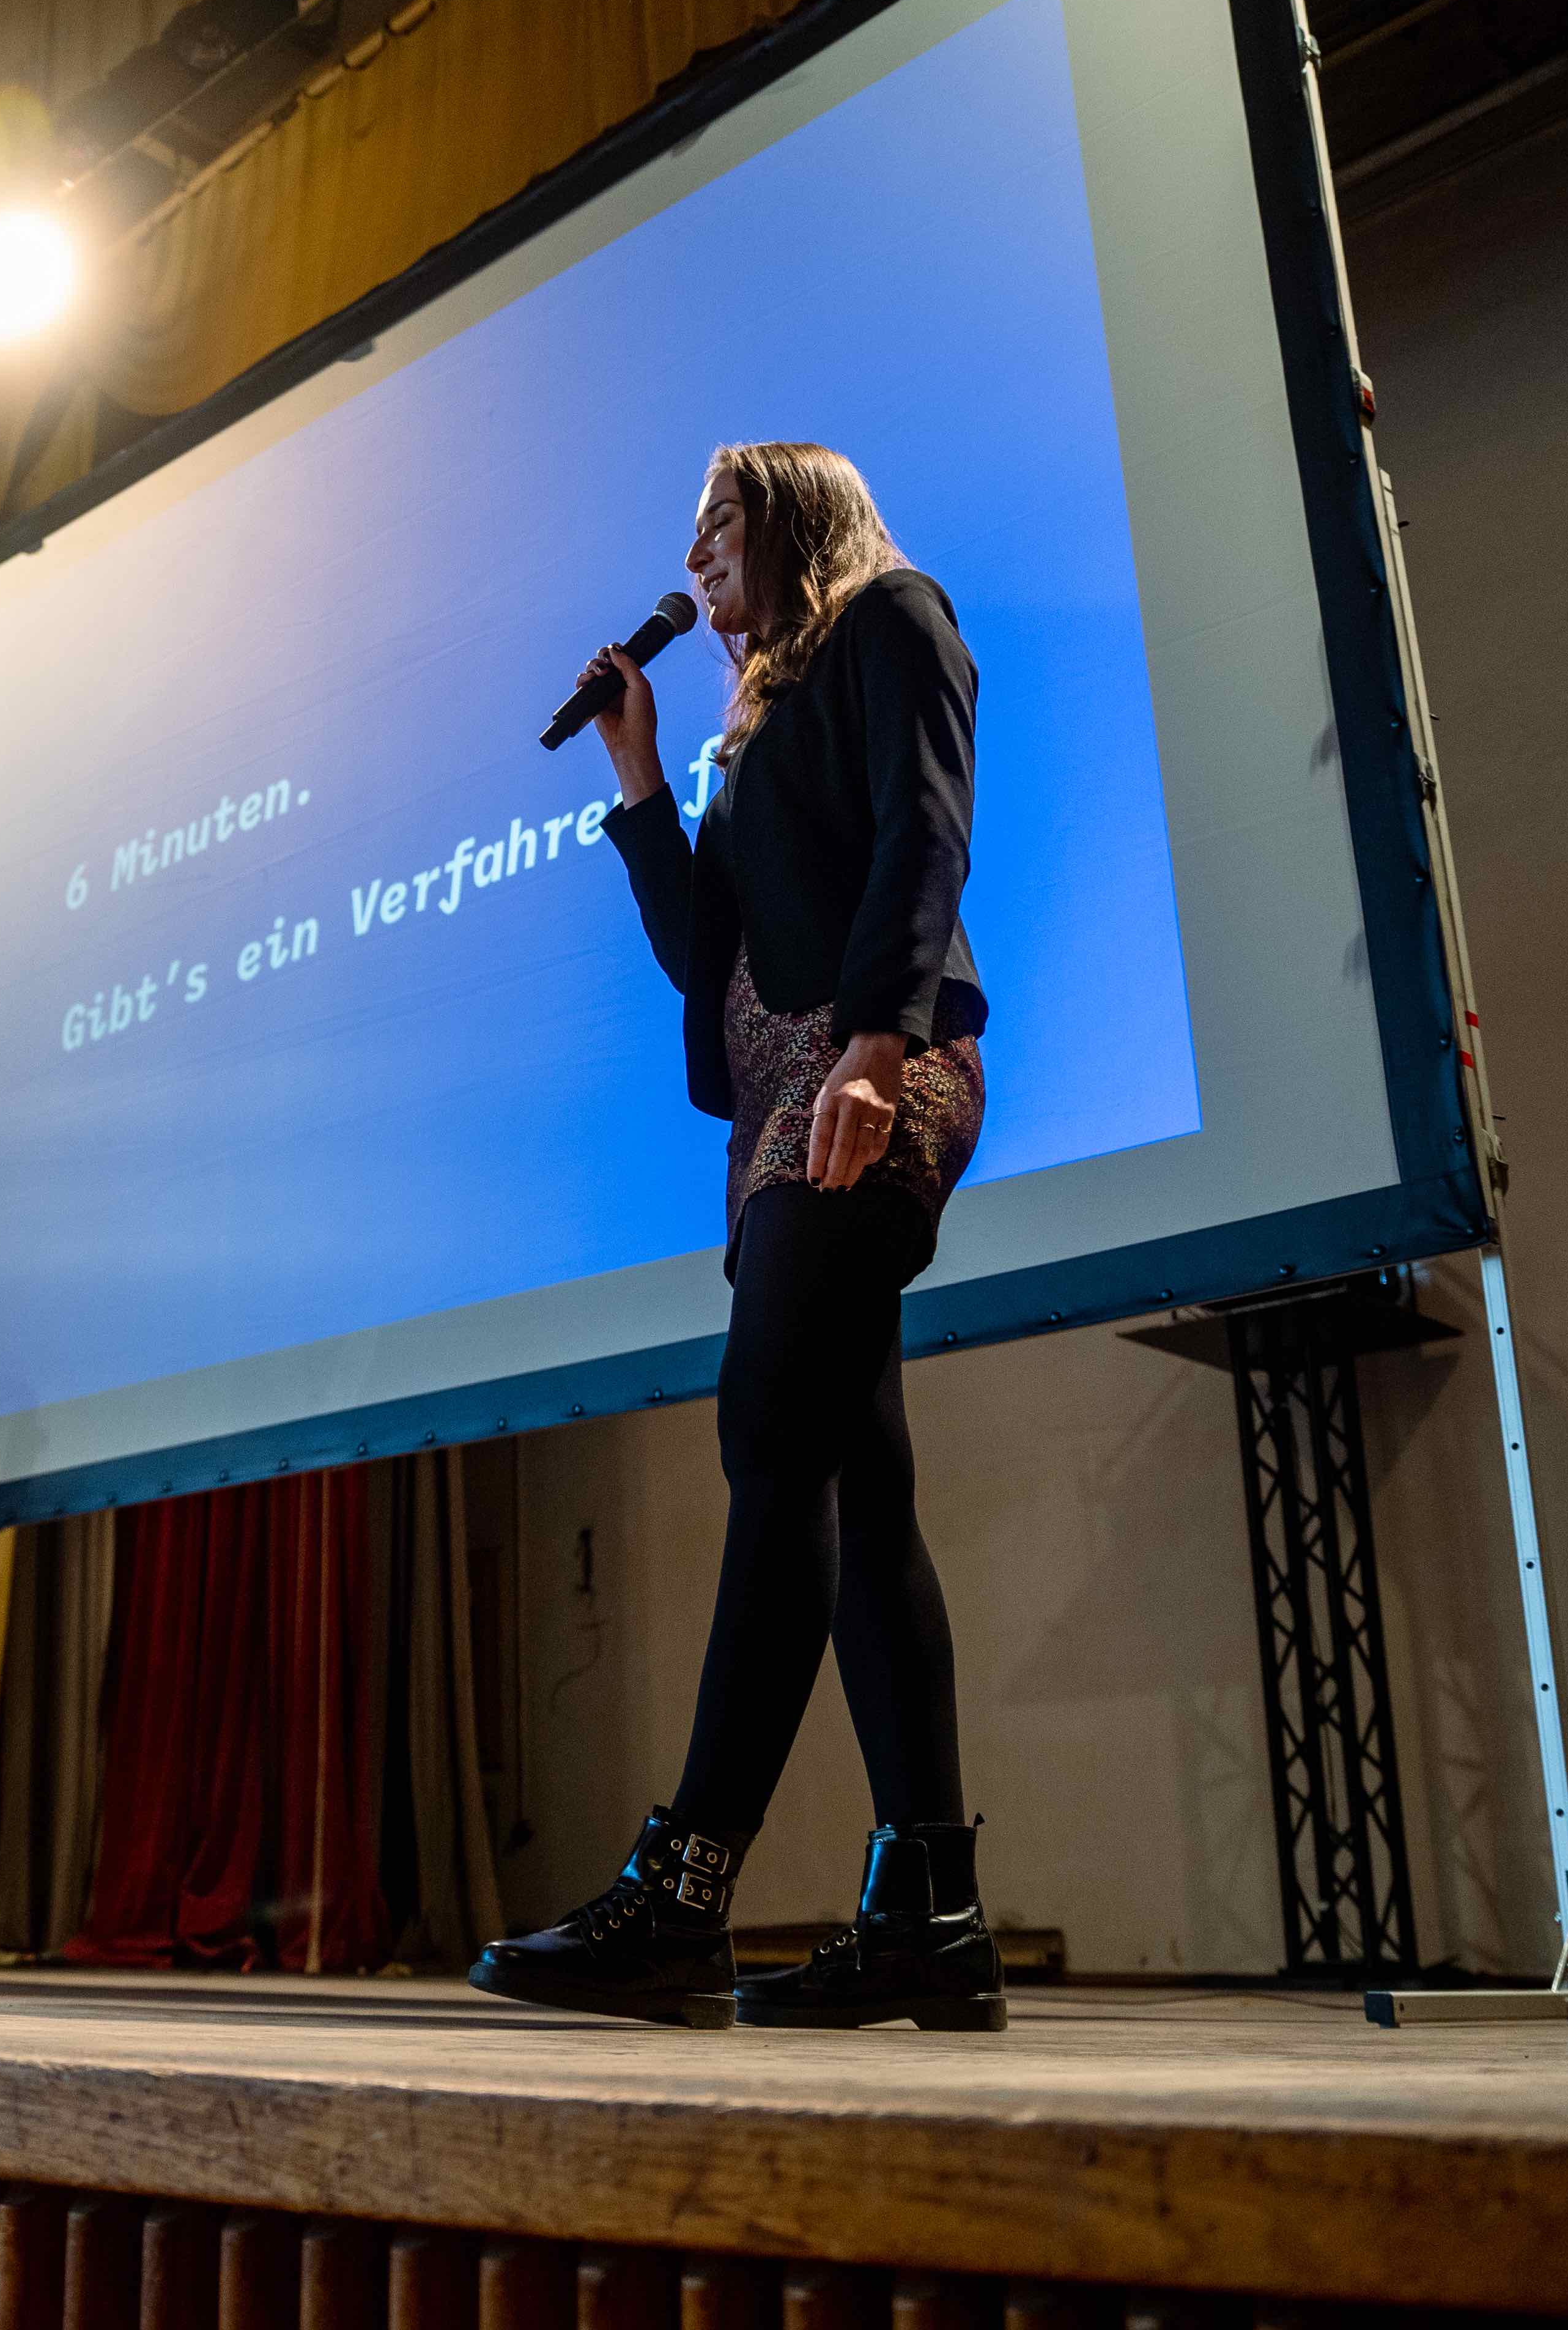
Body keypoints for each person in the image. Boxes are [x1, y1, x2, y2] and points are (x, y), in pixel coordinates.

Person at [470, 443, 998, 2032]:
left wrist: (880, 1047)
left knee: (772, 1438)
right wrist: (642, 777)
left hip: (867, 1076)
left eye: (718, 526)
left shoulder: (894, 615)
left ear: (794, 517)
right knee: (853, 1477)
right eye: (690, 537)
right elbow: (711, 953)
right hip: (778, 1102)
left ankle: (687, 1884)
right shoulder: (744, 726)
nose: (695, 559)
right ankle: (935, 1913)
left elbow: (925, 829)